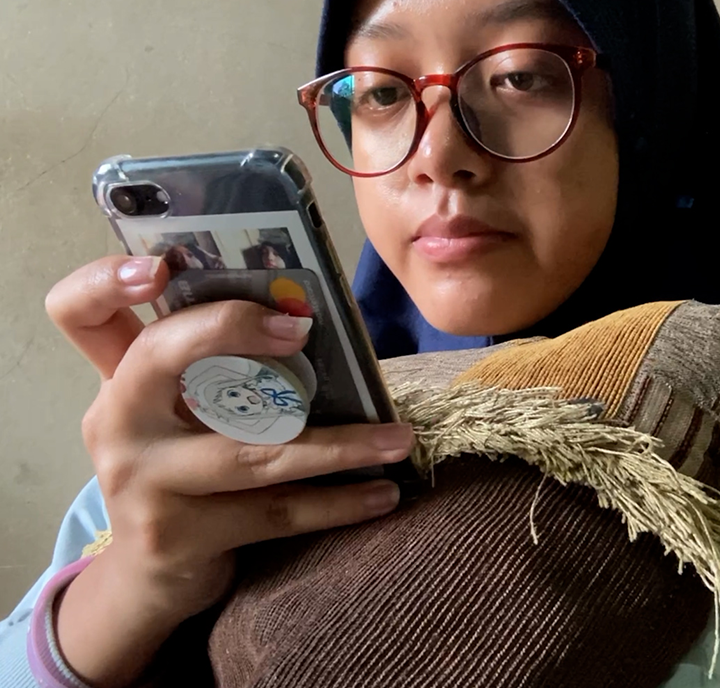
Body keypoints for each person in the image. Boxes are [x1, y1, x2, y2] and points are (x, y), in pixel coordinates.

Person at [1, 0, 719, 685]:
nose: (436, 154)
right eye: (380, 92)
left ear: (659, 100)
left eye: (519, 75)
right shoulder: (225, 439)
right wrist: (138, 582)